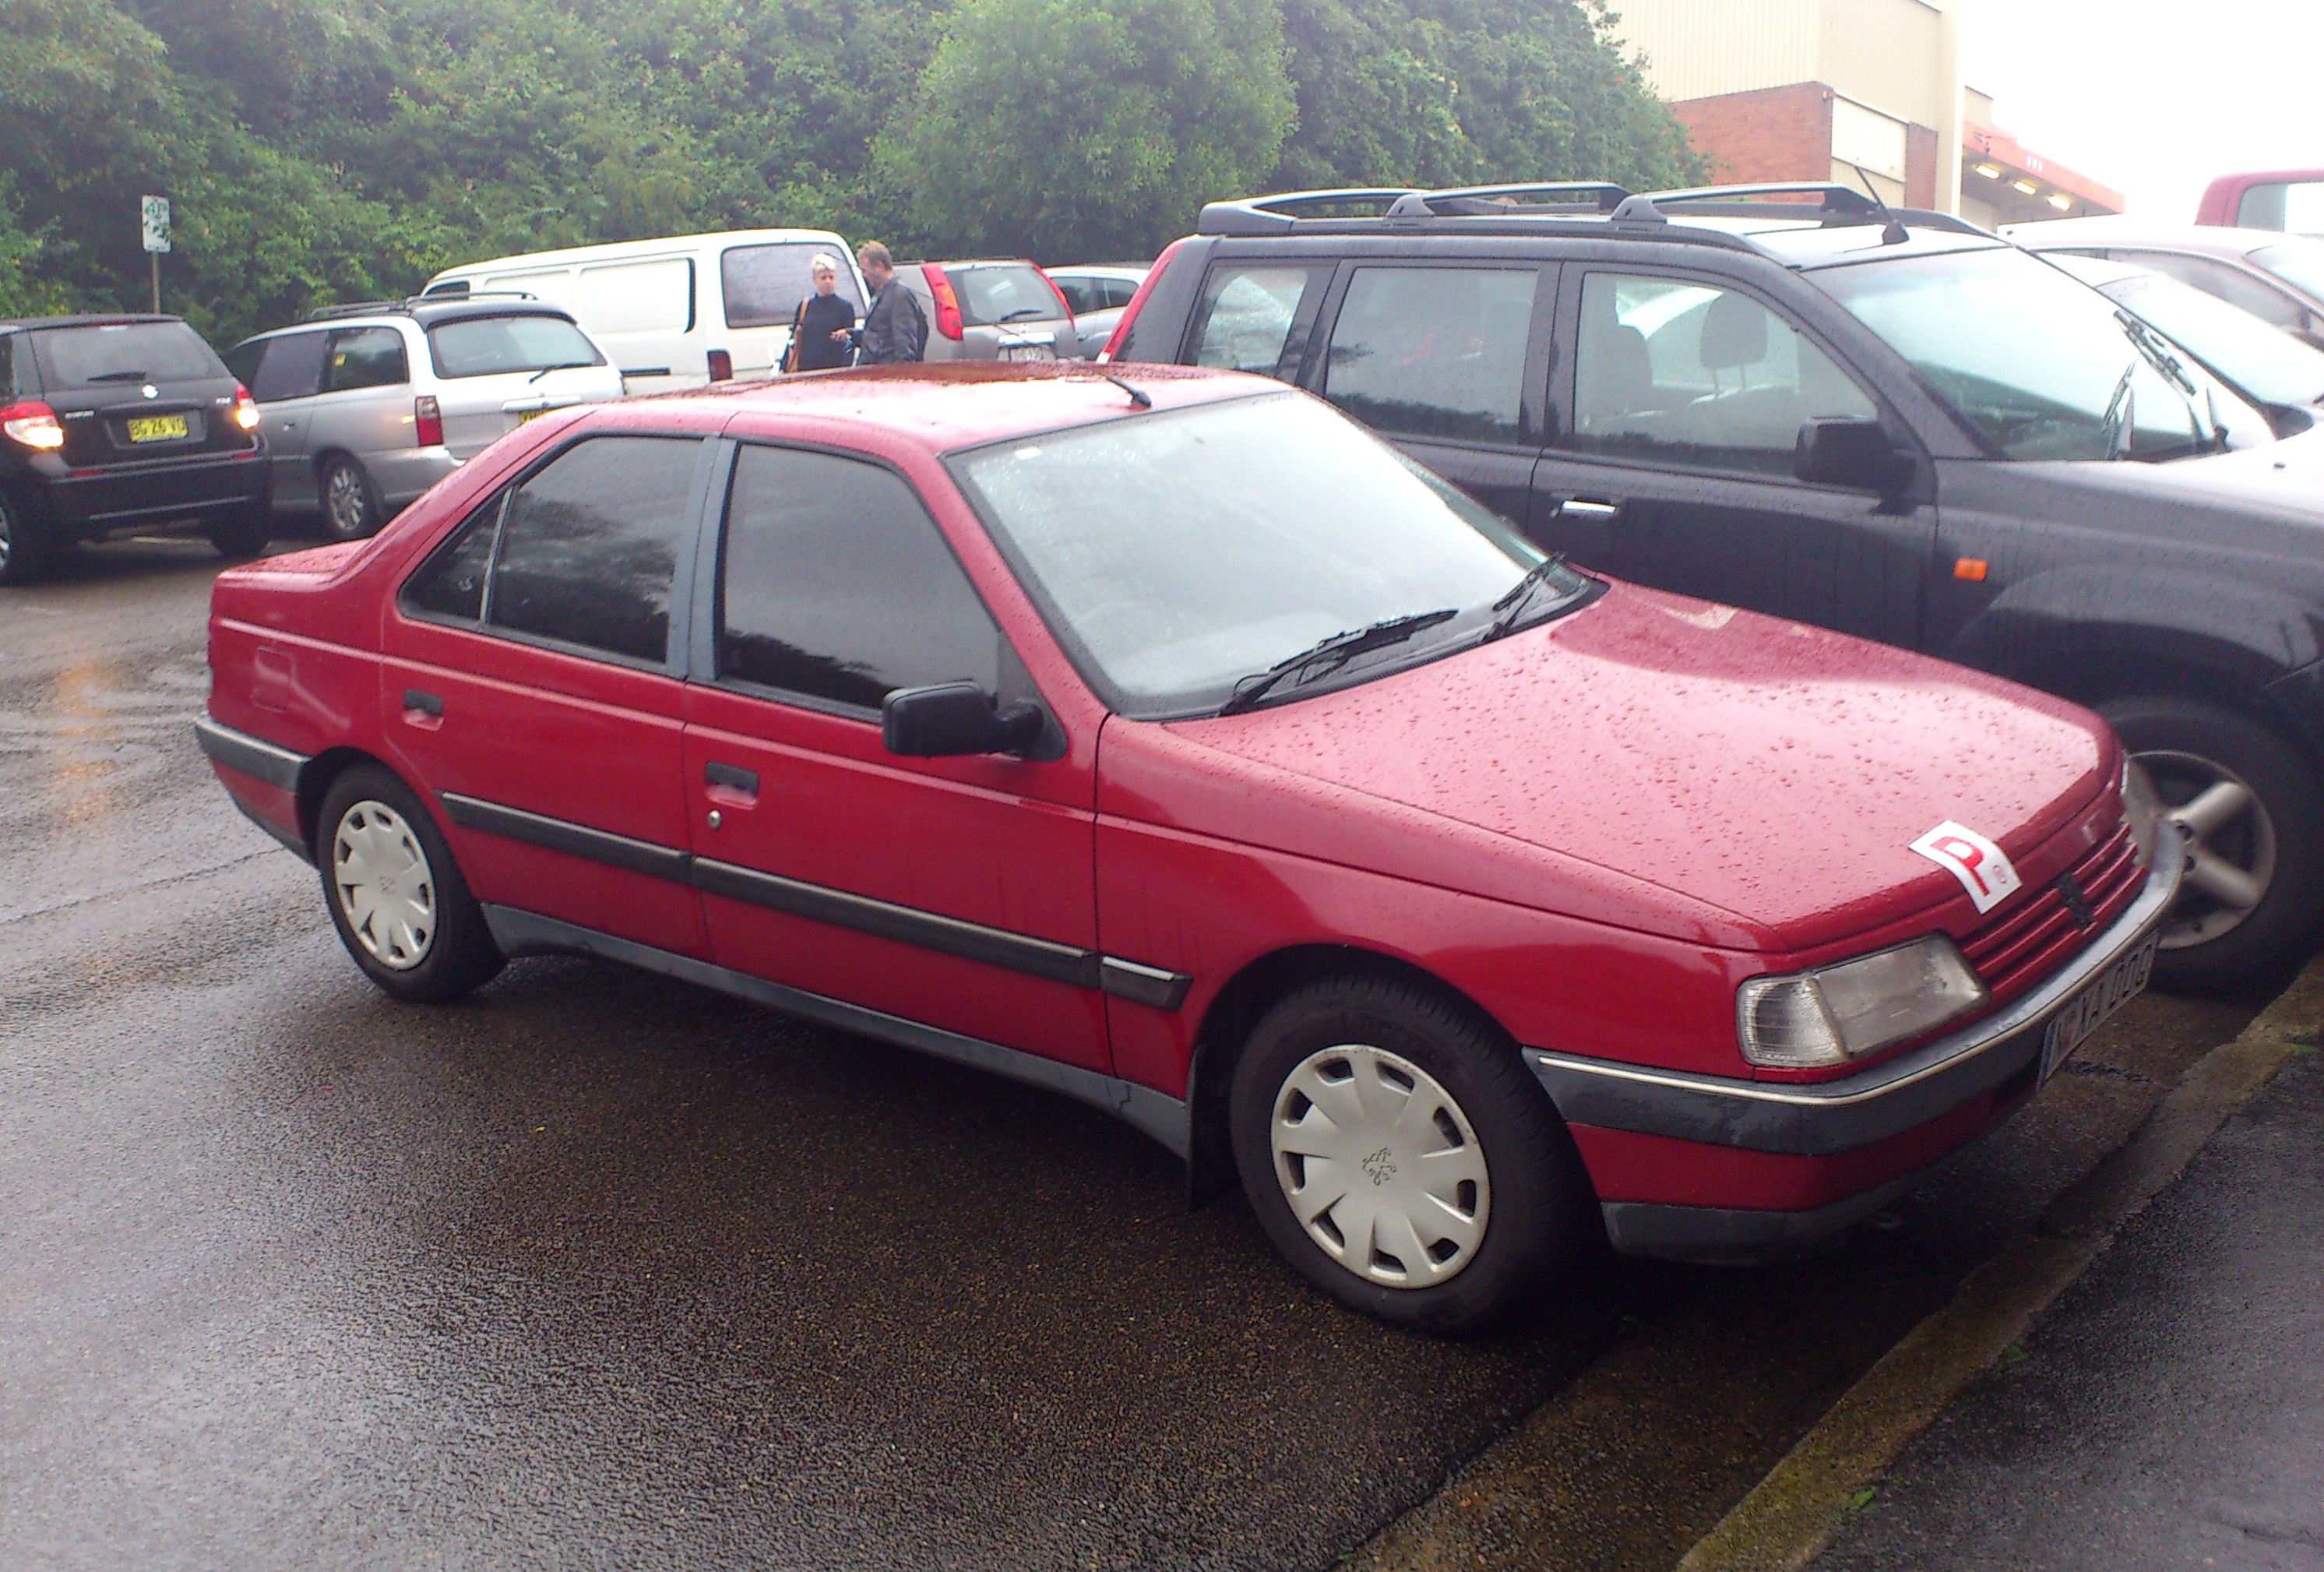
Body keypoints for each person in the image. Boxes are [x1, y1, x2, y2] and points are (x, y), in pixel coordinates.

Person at [854, 241, 927, 365]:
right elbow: (877, 335)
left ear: (879, 266)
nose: (863, 275)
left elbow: (905, 343)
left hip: (887, 373)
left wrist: (898, 377)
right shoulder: (881, 293)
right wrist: (851, 334)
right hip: (873, 371)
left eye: (864, 270)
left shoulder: (900, 295)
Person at [785, 253, 857, 372]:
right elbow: (794, 339)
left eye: (831, 277)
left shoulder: (845, 308)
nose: (828, 281)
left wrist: (845, 371)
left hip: (833, 371)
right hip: (805, 371)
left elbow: (849, 346)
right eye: (823, 278)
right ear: (815, 280)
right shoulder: (805, 306)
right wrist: (784, 367)